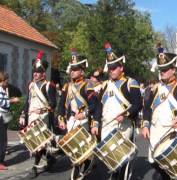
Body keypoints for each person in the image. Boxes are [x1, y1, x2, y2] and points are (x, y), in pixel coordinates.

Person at [141, 50, 177, 179]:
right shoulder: (155, 89)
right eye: (161, 69)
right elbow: (147, 109)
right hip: (156, 134)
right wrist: (146, 125)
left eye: (165, 69)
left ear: (173, 69)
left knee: (172, 171)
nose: (162, 72)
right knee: (156, 166)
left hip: (172, 134)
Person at [97, 42, 142, 180]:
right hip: (107, 126)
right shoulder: (104, 85)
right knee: (110, 159)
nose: (111, 70)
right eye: (110, 68)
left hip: (125, 126)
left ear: (121, 67)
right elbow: (99, 106)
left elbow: (137, 104)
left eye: (114, 68)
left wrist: (126, 114)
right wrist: (94, 123)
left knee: (121, 159)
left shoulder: (130, 83)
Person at [57, 49, 100, 180]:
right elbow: (61, 105)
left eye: (75, 69)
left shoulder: (88, 85)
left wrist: (85, 114)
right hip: (71, 120)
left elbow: (94, 105)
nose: (72, 72)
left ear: (82, 71)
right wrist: (61, 119)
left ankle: (83, 168)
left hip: (84, 121)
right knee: (74, 151)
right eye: (71, 69)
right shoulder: (67, 86)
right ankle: (83, 167)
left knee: (81, 151)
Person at [18, 51, 57, 177]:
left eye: (38, 72)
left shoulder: (48, 86)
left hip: (43, 119)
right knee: (35, 143)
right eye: (34, 71)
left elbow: (53, 104)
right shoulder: (31, 85)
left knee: (38, 145)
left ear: (43, 73)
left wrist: (42, 110)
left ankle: (34, 168)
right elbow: (28, 102)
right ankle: (50, 158)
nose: (35, 74)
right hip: (31, 117)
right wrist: (23, 114)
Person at [0, 72, 19, 171]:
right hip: (1, 117)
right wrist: (12, 101)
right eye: (6, 79)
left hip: (3, 116)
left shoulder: (2, 89)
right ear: (2, 80)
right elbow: (2, 103)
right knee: (2, 141)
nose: (7, 81)